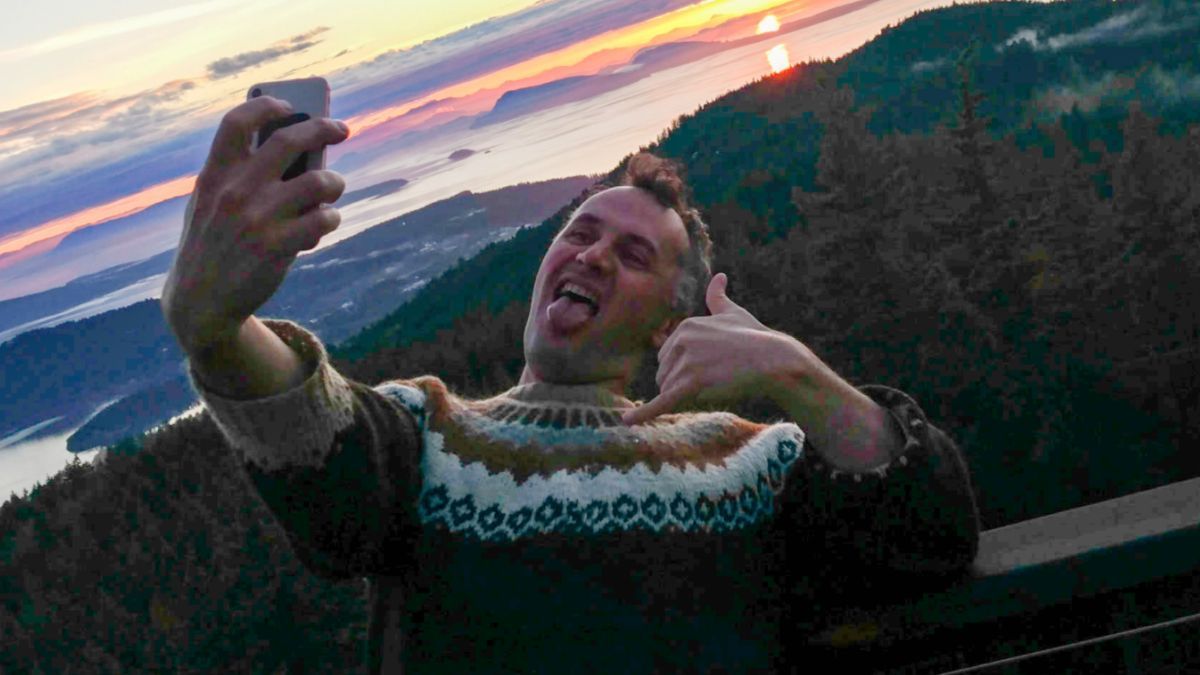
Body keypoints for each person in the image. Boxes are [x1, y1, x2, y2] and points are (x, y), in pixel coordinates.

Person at [162, 96, 981, 673]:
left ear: (667, 324)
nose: (592, 254)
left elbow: (933, 531)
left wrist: (793, 370)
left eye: (633, 254)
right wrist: (217, 329)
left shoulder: (747, 462)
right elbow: (319, 436)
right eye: (580, 232)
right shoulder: (429, 436)